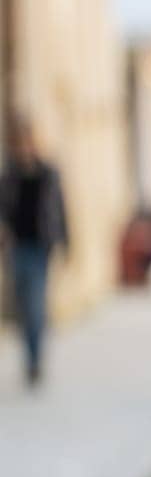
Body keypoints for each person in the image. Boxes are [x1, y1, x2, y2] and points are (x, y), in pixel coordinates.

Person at [0, 114, 70, 388]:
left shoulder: (48, 173)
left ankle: (36, 359)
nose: (24, 148)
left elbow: (60, 210)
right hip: (16, 247)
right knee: (22, 307)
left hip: (40, 247)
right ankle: (30, 356)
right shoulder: (8, 175)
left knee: (37, 305)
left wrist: (66, 243)